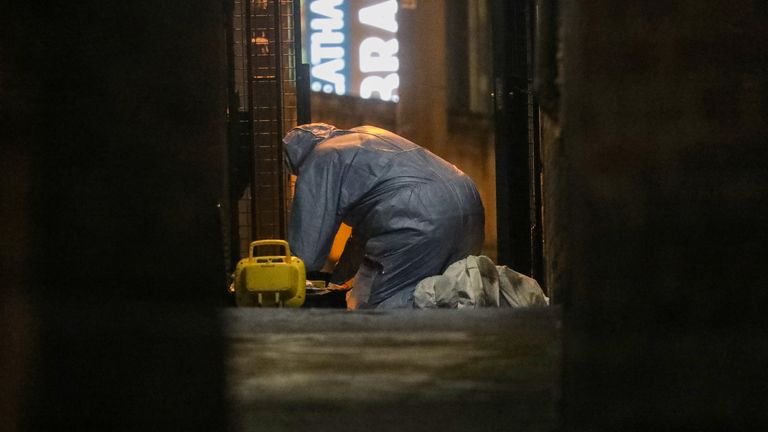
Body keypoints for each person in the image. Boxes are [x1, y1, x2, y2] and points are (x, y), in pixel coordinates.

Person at [283, 123, 485, 309]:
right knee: (453, 294)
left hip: (417, 214)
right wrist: (339, 279)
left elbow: (306, 252)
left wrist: (288, 281)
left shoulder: (321, 157)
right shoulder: (365, 134)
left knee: (386, 305)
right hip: (467, 198)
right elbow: (364, 233)